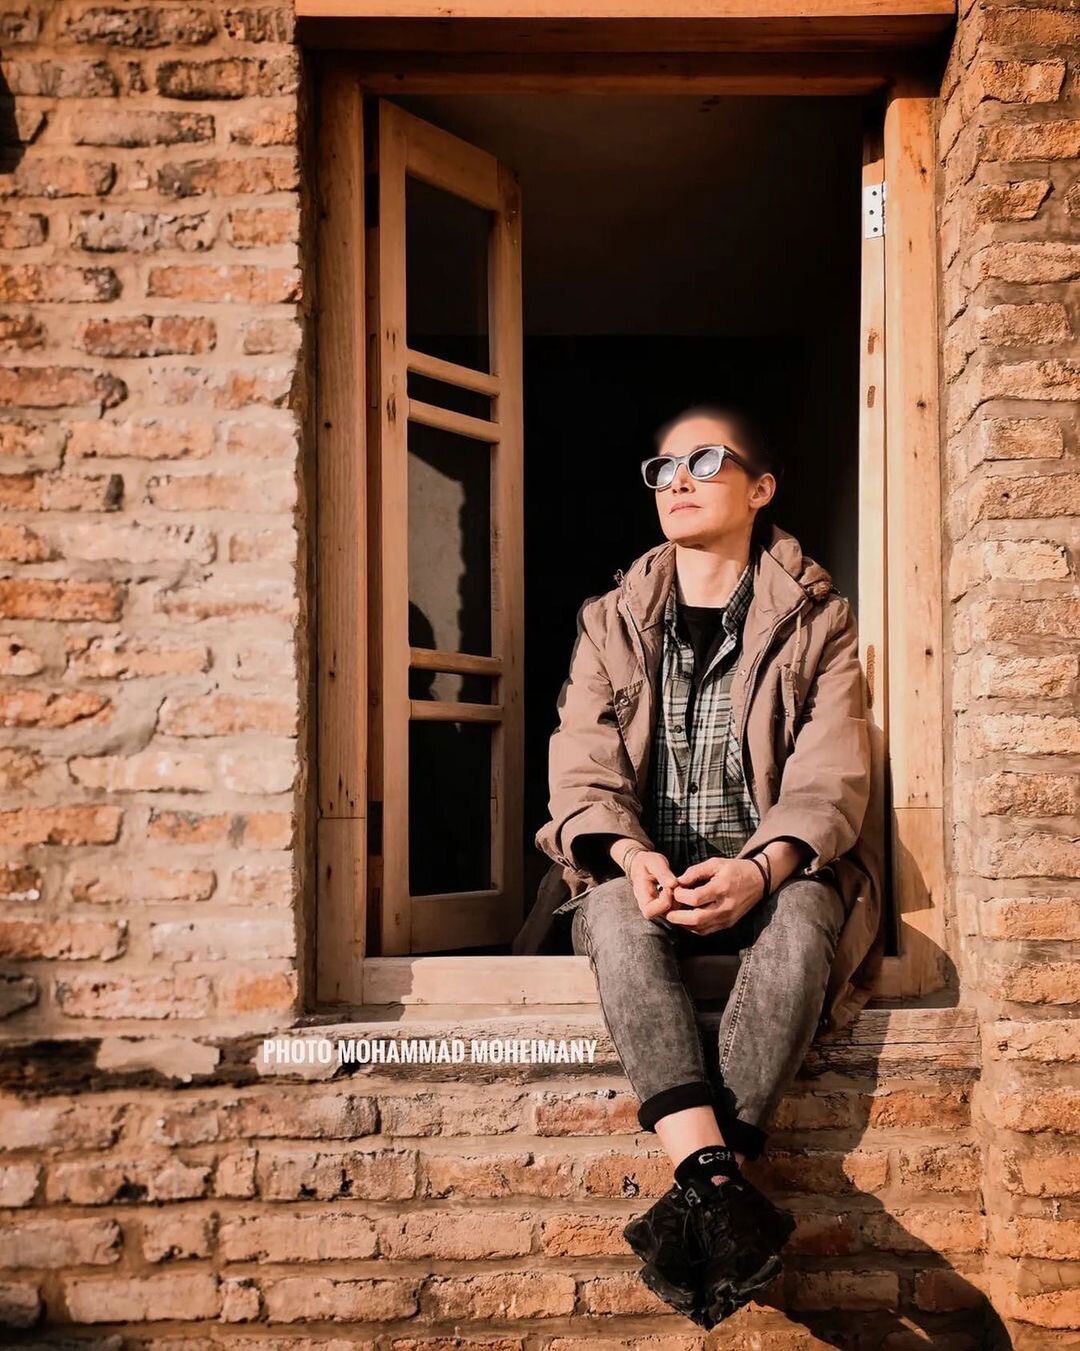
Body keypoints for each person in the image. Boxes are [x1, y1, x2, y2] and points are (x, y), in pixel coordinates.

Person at [531, 403, 884, 1328]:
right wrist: (630, 853)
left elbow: (831, 776)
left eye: (705, 460)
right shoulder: (610, 621)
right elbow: (580, 770)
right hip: (646, 877)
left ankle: (699, 1185)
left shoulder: (819, 619)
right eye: (662, 467)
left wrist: (760, 872)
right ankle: (723, 1185)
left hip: (768, 877)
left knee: (809, 911)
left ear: (761, 488)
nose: (677, 480)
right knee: (610, 909)